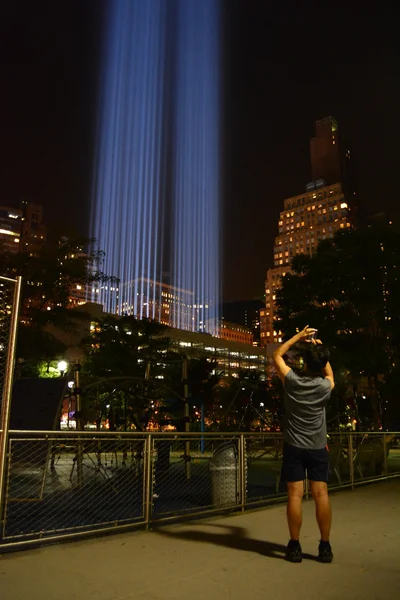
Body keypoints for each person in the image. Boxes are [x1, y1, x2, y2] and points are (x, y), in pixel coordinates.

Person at [272, 325, 335, 563]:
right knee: (321, 494)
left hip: (294, 446)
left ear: (303, 363)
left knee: (295, 495)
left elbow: (277, 355)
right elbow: (329, 375)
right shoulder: (324, 387)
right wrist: (320, 351)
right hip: (318, 447)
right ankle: (325, 546)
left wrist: (299, 337)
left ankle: (295, 545)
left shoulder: (292, 381)